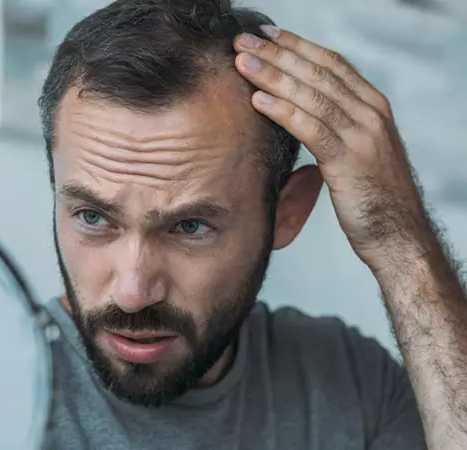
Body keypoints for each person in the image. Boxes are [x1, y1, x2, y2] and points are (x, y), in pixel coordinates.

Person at [38, 1, 467, 449]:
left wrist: (400, 241)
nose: (132, 292)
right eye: (93, 217)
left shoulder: (353, 385)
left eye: (190, 227)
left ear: (287, 213)